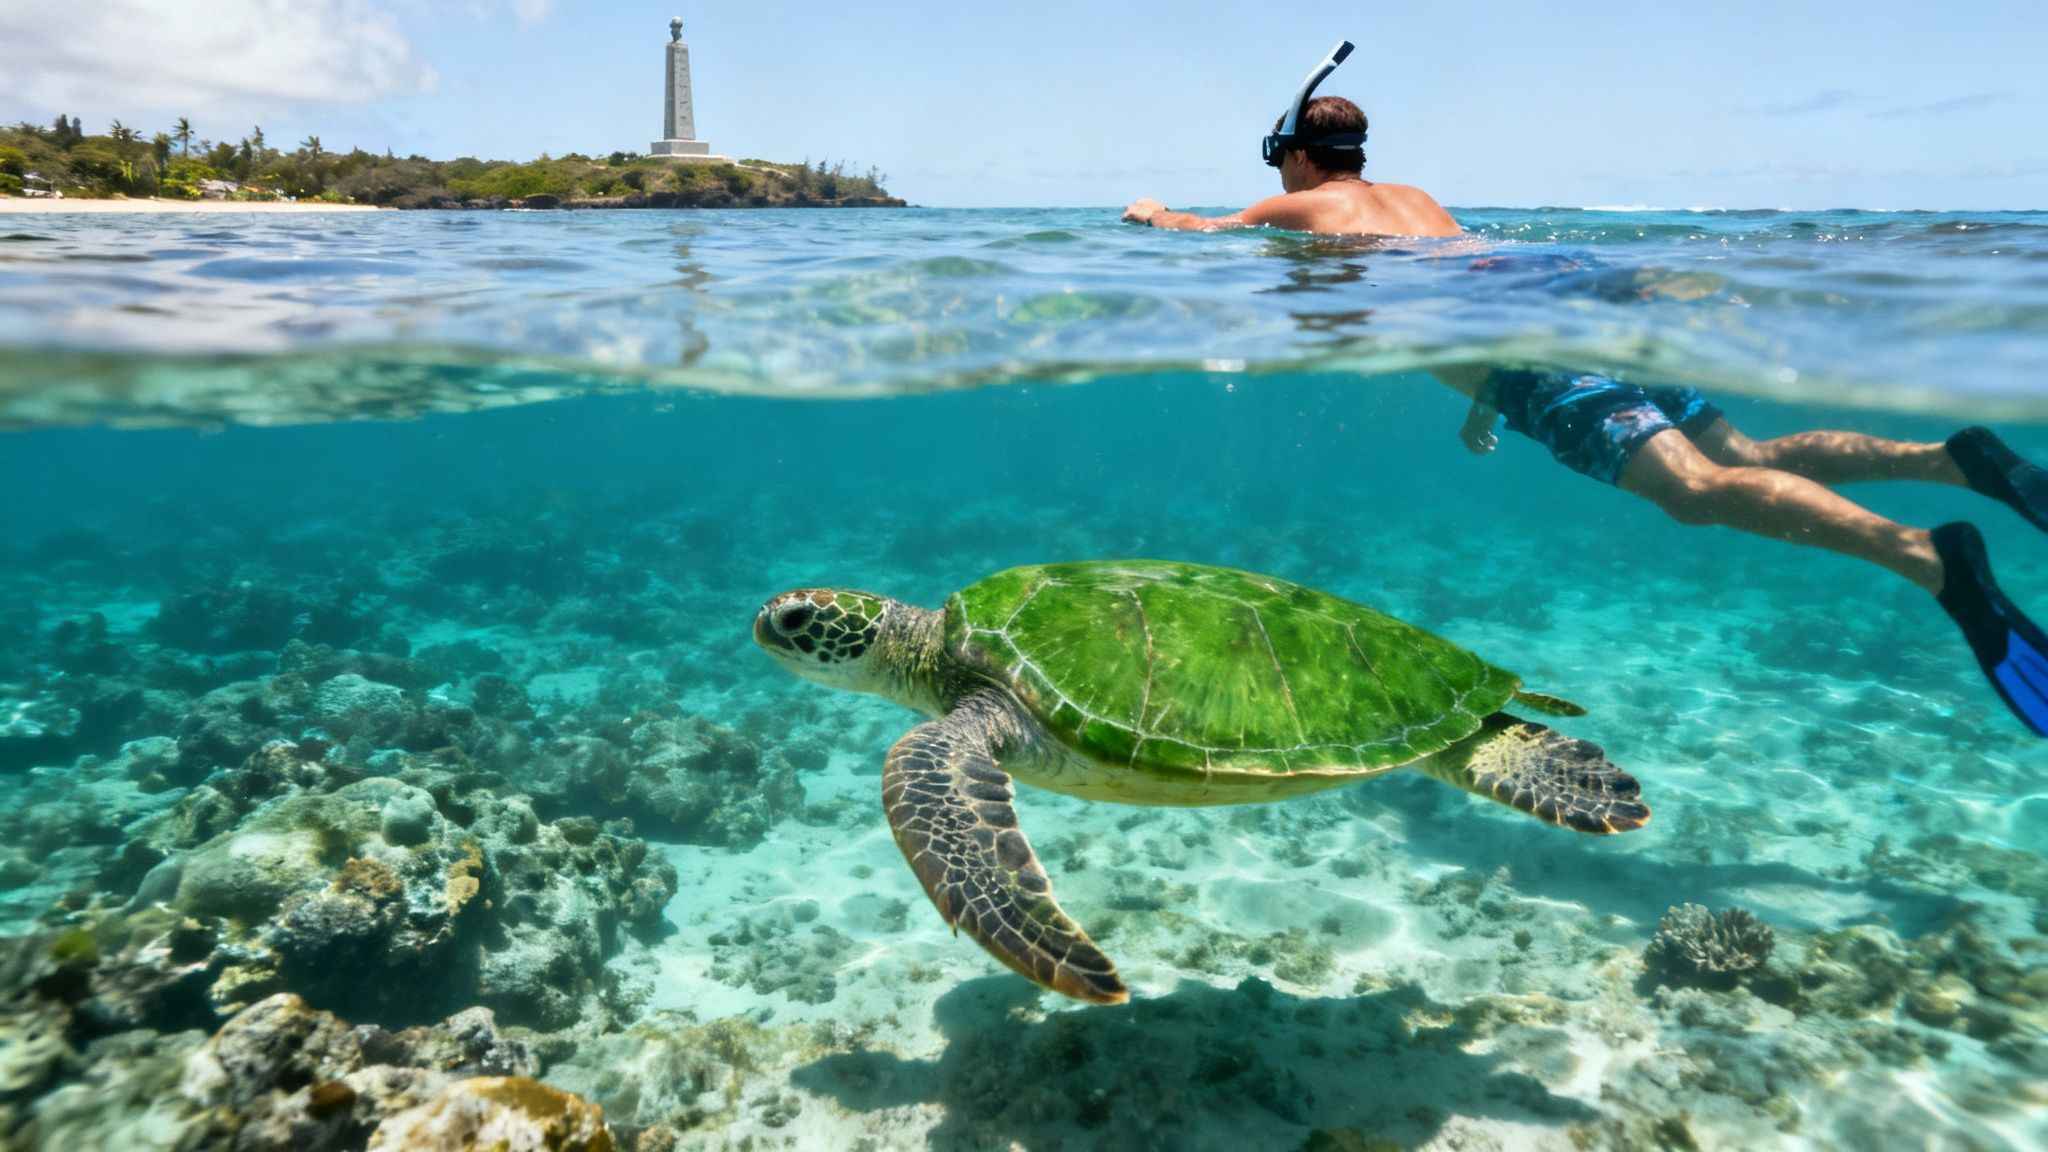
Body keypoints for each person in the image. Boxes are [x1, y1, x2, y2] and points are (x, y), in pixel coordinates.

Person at [1122, 65, 2048, 735]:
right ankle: (1953, 460)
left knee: (1692, 492)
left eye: (1277, 157)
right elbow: (1470, 296)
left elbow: (1200, 231)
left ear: (1293, 156)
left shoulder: (1301, 209)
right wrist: (1484, 402)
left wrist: (1149, 211)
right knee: (1749, 456)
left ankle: (1931, 559)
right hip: (1568, 307)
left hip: (1536, 364)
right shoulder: (1416, 197)